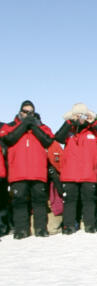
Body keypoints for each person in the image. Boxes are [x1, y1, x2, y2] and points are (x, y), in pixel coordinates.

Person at [0, 100, 55, 238]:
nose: (27, 114)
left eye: (30, 112)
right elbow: (9, 139)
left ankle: (41, 229)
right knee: (19, 202)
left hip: (38, 172)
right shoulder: (10, 126)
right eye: (24, 111)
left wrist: (34, 125)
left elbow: (47, 141)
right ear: (20, 111)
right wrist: (25, 124)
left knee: (39, 202)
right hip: (18, 172)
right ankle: (21, 230)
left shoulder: (43, 127)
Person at [54, 103, 97, 234]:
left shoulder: (93, 131)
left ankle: (89, 225)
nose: (81, 118)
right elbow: (58, 137)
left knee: (89, 200)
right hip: (69, 174)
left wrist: (94, 121)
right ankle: (68, 226)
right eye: (77, 115)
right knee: (69, 201)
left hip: (88, 174)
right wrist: (69, 122)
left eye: (83, 115)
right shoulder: (68, 131)